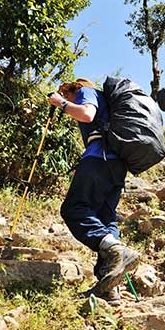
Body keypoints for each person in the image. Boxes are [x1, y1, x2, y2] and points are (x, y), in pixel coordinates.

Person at [48, 78, 140, 305]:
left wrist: (61, 103)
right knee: (105, 219)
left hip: (100, 158)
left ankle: (117, 250)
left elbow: (87, 114)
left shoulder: (85, 91)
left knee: (74, 208)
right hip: (117, 165)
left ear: (72, 88)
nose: (68, 98)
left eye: (67, 93)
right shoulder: (107, 106)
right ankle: (109, 288)